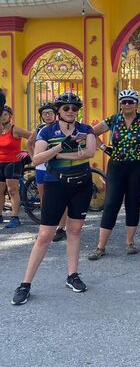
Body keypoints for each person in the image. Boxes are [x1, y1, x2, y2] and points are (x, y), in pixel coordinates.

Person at [11, 92, 96, 305]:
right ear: (59, 110)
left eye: (74, 108)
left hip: (81, 185)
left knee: (75, 230)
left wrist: (58, 154)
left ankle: (72, 275)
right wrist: (60, 146)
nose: (70, 111)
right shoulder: (46, 131)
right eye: (66, 108)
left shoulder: (86, 129)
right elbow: (37, 158)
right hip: (56, 185)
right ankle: (25, 284)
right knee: (44, 236)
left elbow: (89, 152)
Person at [88, 89, 140, 259]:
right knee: (111, 204)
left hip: (138, 166)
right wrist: (103, 147)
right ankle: (100, 247)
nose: (127, 105)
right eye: (123, 102)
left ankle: (130, 243)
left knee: (133, 203)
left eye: (130, 102)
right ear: (120, 104)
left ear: (136, 104)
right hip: (117, 165)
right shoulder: (114, 119)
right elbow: (92, 133)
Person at [27, 102, 68, 241]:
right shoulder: (39, 128)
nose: (47, 115)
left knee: (62, 199)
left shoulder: (61, 126)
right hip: (41, 169)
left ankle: (62, 228)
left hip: (57, 167)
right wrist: (34, 158)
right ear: (41, 116)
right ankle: (45, 229)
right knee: (45, 199)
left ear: (56, 114)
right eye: (45, 113)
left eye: (50, 113)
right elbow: (29, 143)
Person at [0, 105, 31, 228]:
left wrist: (27, 152)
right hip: (0, 163)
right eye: (1, 114)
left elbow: (32, 136)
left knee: (12, 191)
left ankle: (15, 218)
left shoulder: (15, 130)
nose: (3, 117)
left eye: (5, 114)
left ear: (10, 116)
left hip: (13, 163)